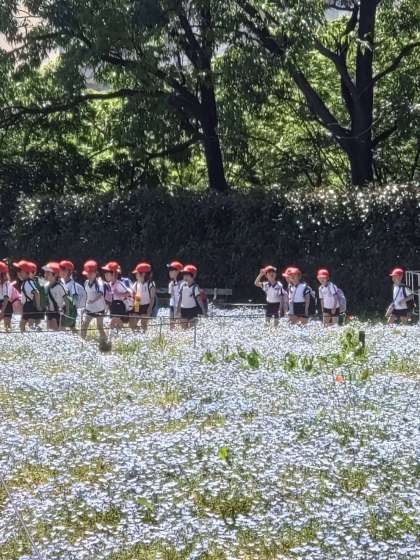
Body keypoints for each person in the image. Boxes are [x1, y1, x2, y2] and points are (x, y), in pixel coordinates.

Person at [80, 260, 107, 342]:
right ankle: (81, 341)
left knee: (99, 326)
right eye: (88, 273)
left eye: (91, 273)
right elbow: (86, 295)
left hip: (99, 309)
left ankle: (105, 341)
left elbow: (100, 293)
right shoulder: (86, 282)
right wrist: (84, 306)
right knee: (84, 325)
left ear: (95, 273)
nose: (89, 275)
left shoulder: (99, 283)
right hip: (89, 308)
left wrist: (93, 300)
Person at [102, 261, 132, 330]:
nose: (105, 275)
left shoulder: (119, 283)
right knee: (115, 322)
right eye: (105, 273)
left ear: (114, 274)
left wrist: (119, 294)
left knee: (115, 321)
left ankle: (117, 334)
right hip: (113, 305)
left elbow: (129, 293)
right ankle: (118, 333)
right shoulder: (109, 284)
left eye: (107, 273)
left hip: (119, 305)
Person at [59, 260, 86, 330]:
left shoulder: (72, 285)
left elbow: (75, 298)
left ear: (70, 272)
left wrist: (68, 304)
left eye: (64, 270)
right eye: (61, 270)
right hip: (63, 308)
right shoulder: (61, 282)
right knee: (71, 328)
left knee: (62, 327)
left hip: (70, 309)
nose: (61, 271)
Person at [177, 264, 206, 329]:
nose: (185, 277)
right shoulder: (182, 285)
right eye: (184, 275)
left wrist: (203, 311)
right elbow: (180, 299)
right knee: (183, 328)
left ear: (193, 276)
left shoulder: (195, 287)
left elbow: (199, 300)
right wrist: (178, 311)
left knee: (192, 329)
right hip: (183, 309)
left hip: (193, 310)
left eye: (187, 275)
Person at [130, 262, 156, 332]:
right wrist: (135, 309)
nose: (136, 275)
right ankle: (138, 334)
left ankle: (144, 335)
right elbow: (136, 297)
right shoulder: (136, 284)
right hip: (138, 304)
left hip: (147, 306)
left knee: (143, 323)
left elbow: (152, 298)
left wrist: (149, 309)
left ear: (144, 274)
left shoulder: (151, 284)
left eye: (137, 273)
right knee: (133, 323)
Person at [43, 262, 69, 330]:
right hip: (49, 312)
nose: (45, 275)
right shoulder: (46, 286)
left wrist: (67, 313)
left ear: (55, 274)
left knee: (58, 331)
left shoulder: (60, 287)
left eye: (48, 273)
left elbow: (66, 300)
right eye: (45, 272)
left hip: (58, 313)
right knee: (49, 331)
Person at [19, 261, 42, 332]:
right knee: (23, 324)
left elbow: (36, 293)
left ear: (27, 273)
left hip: (29, 305)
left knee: (27, 324)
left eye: (21, 271)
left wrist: (38, 306)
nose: (20, 273)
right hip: (27, 305)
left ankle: (39, 332)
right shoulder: (26, 282)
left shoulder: (28, 282)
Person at [167, 260, 184, 329]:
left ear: (178, 271)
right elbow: (172, 297)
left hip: (182, 307)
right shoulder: (171, 283)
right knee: (172, 325)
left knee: (182, 326)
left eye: (171, 270)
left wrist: (178, 310)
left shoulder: (183, 283)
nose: (169, 272)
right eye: (169, 270)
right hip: (173, 306)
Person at [0, 261, 13, 331]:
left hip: (6, 305)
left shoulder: (7, 284)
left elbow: (6, 298)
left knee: (7, 327)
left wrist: (2, 311)